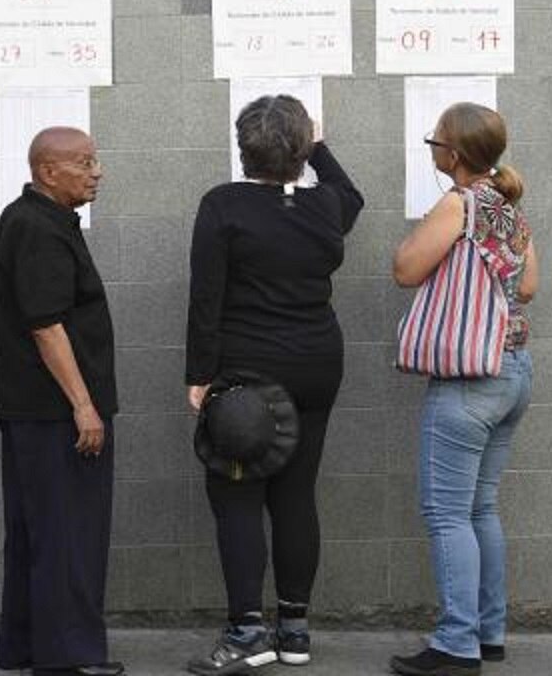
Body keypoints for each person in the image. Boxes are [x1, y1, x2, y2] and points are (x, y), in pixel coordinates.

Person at [185, 95, 364, 674]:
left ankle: (245, 632)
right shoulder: (326, 205)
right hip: (317, 362)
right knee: (295, 493)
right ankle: (294, 632)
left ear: (243, 149)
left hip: (246, 370)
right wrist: (319, 143)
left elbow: (205, 296)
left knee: (236, 495)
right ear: (302, 148)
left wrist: (198, 374)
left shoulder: (223, 205)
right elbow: (352, 196)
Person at [389, 103, 538, 676]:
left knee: (446, 511)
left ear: (453, 154)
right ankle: (489, 632)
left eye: (435, 143)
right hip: (515, 370)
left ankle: (456, 643)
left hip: (470, 378)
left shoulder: (459, 202)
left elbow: (405, 268)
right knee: (480, 507)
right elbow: (528, 286)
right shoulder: (510, 209)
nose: (431, 151)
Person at [0, 127, 124, 676]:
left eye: (96, 160)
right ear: (48, 172)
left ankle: (26, 647)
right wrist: (84, 406)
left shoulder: (33, 221)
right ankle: (69, 657)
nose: (97, 172)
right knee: (70, 535)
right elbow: (46, 326)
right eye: (85, 162)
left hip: (35, 412)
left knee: (37, 532)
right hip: (54, 415)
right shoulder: (39, 230)